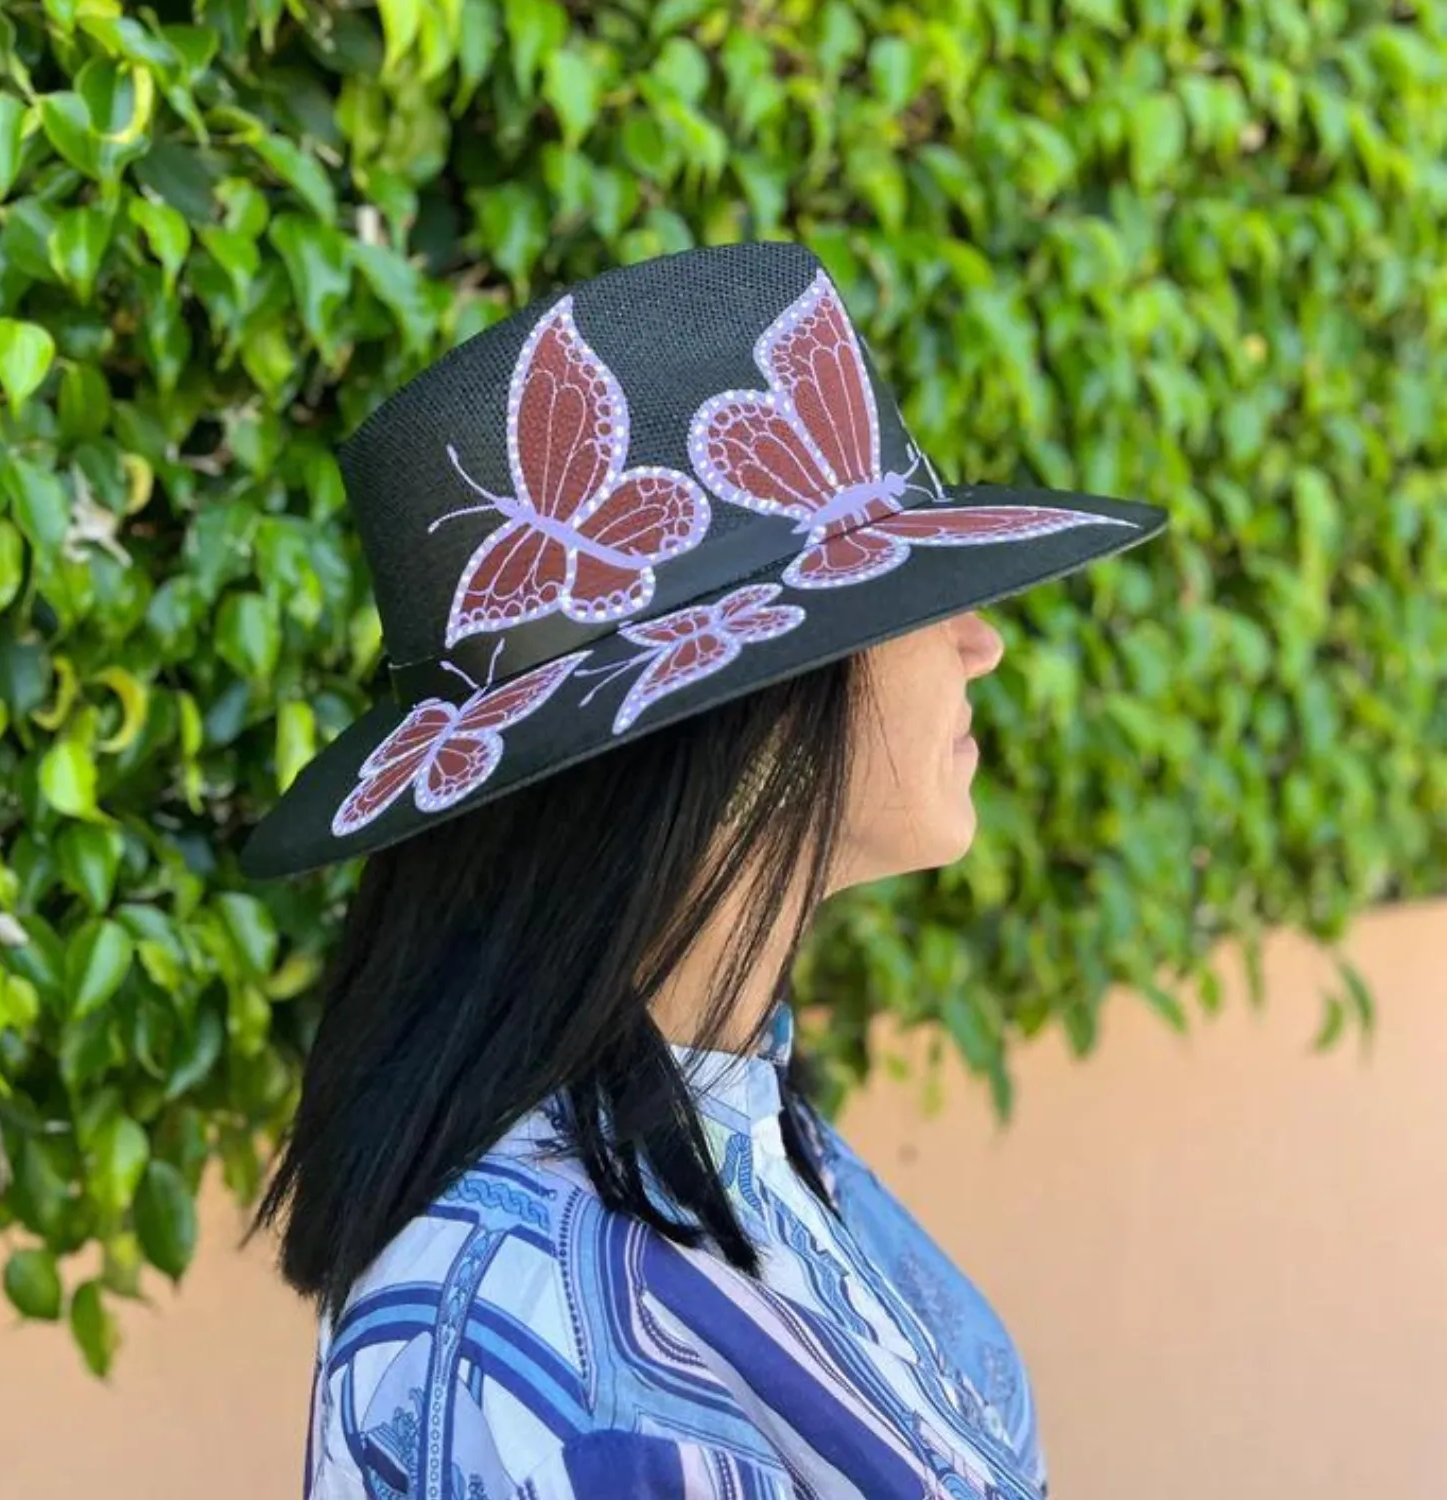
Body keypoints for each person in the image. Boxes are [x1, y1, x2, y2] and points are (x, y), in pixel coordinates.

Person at [241, 241, 1166, 1498]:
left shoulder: (737, 1124)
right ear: (738, 703)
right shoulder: (531, 1332)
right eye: (899, 594)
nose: (981, 641)